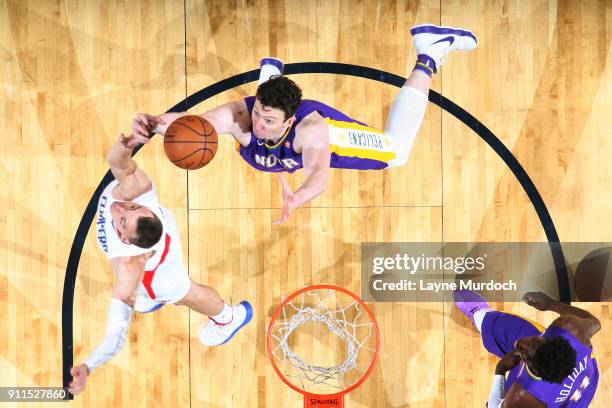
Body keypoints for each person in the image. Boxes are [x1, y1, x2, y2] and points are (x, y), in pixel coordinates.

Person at [130, 24, 478, 224]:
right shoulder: (242, 116)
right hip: (277, 140)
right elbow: (196, 126)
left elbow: (319, 174)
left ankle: (429, 51)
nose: (259, 124)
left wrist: (298, 197)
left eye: (269, 120)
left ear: (290, 119)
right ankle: (271, 77)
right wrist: (156, 122)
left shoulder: (311, 130)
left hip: (323, 135)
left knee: (397, 153)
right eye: (259, 113)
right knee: (244, 117)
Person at [68, 133, 252, 395]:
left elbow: (115, 335)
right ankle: (154, 302)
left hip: (159, 277)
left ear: (123, 238)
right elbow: (116, 161)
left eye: (123, 220)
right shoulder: (139, 192)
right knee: (146, 302)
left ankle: (229, 318)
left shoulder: (128, 269)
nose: (121, 209)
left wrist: (89, 366)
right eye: (131, 208)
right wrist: (127, 141)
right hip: (155, 244)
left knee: (186, 294)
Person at [454, 290, 600, 407]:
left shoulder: (523, 397)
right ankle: (482, 316)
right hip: (584, 382)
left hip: (560, 401)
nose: (520, 343)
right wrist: (550, 304)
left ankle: (483, 319)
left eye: (525, 352)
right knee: (508, 328)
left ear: (533, 371)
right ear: (554, 341)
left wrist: (500, 370)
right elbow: (594, 322)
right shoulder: (570, 329)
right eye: (534, 342)